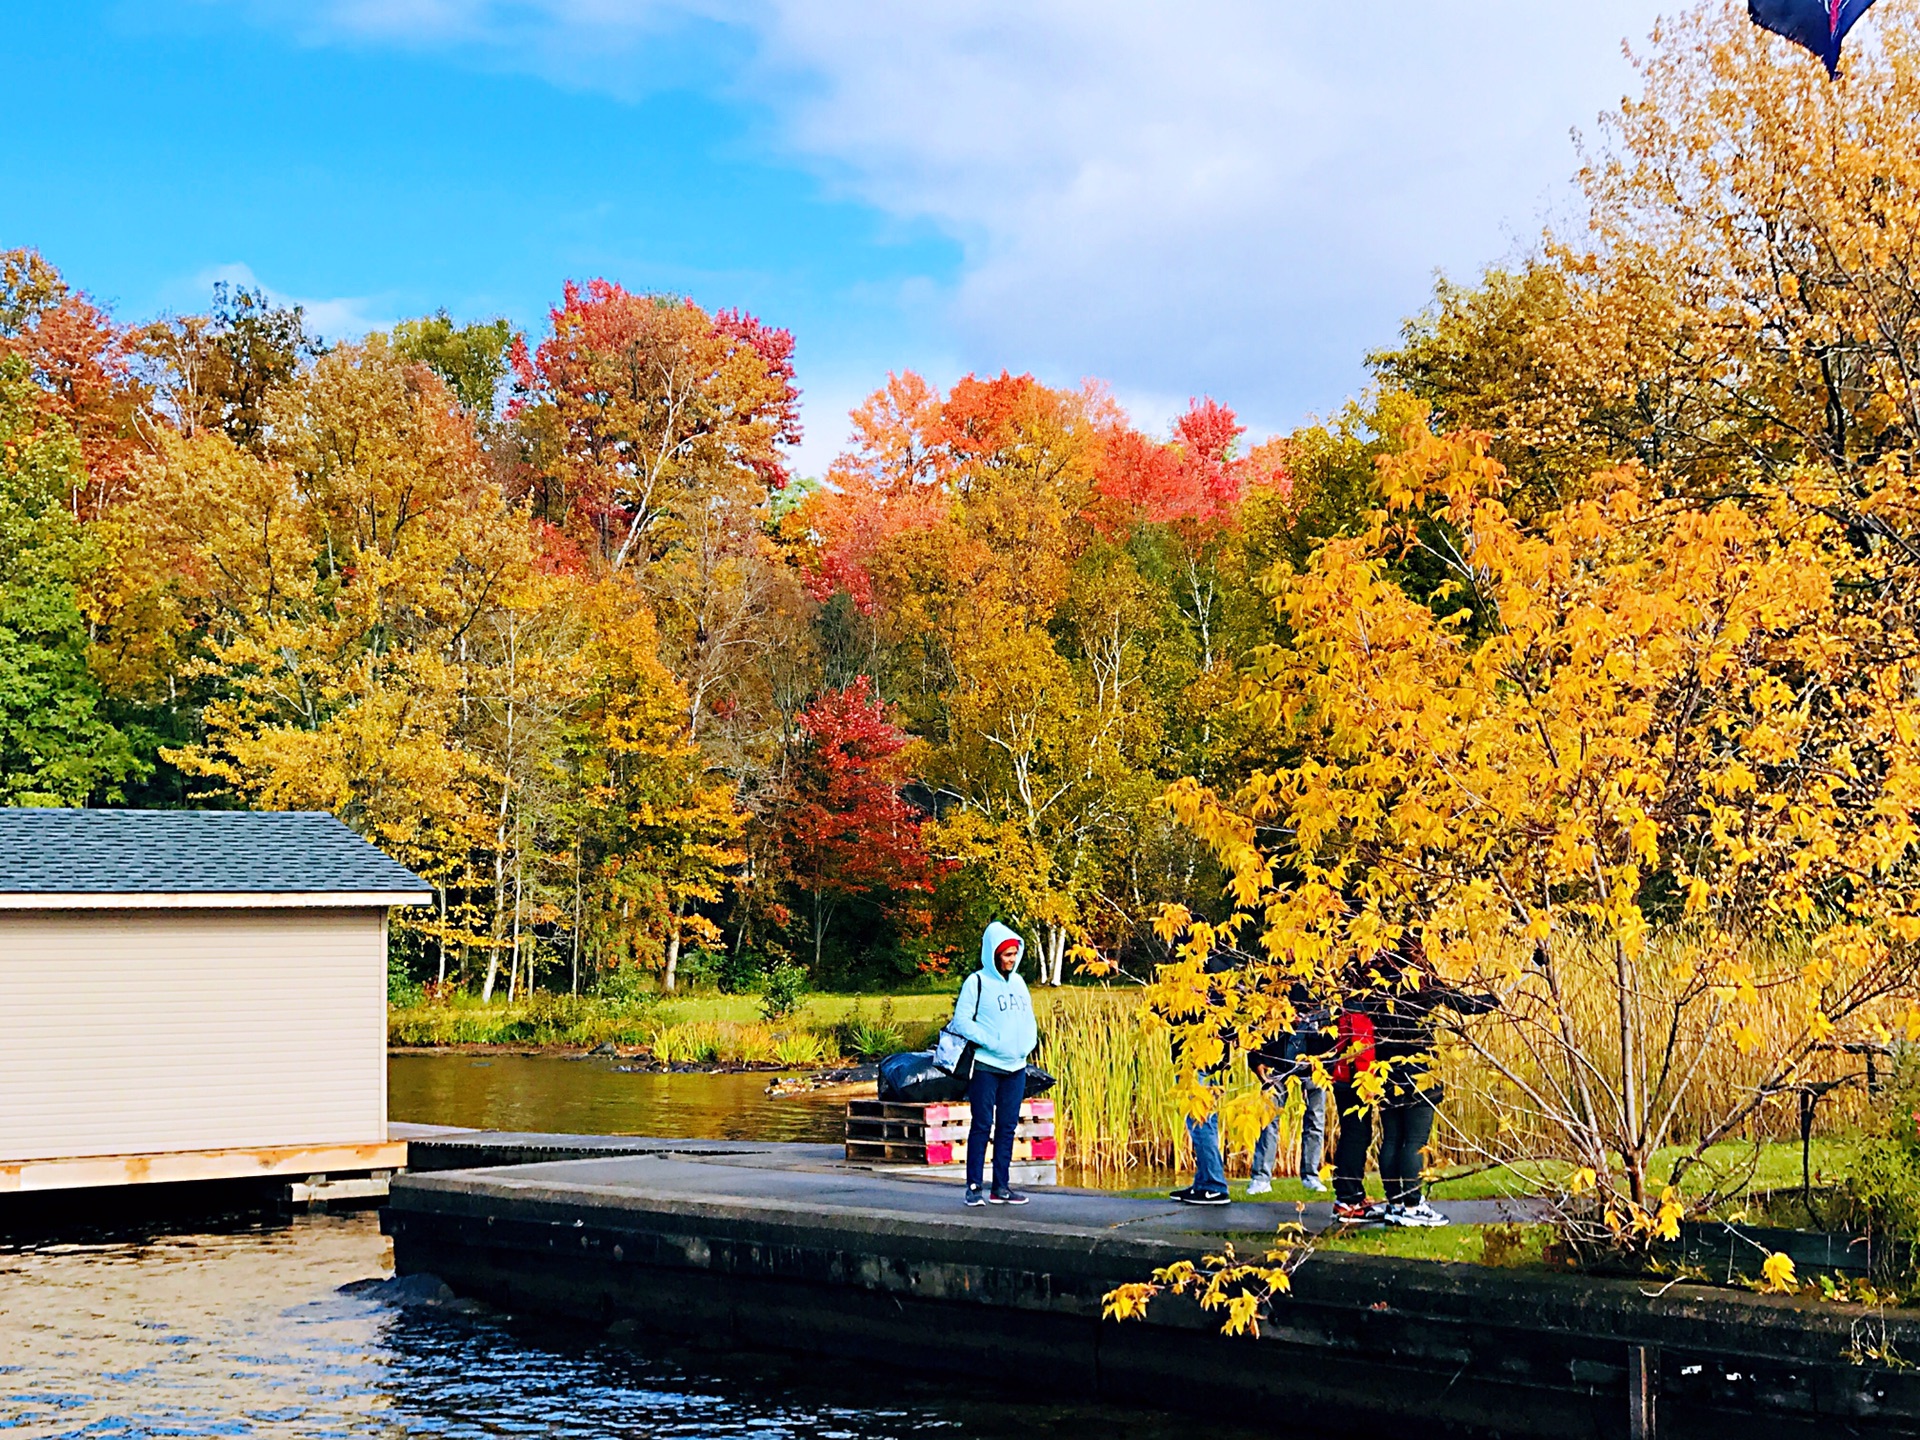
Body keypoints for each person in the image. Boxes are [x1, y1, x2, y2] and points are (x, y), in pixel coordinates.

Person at [1332, 937, 1500, 1227]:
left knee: (1393, 1138)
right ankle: (1412, 1204)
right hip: (1419, 1068)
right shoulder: (1420, 979)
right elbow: (1458, 1001)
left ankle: (1396, 1203)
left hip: (1385, 1069)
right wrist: (1492, 1000)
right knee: (1415, 1141)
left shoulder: (1372, 982)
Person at [947, 921, 1039, 1207]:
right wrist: (991, 1041)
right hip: (986, 1066)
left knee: (1008, 1127)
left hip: (1016, 1067)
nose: (1012, 959)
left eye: (1014, 954)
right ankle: (974, 1187)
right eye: (1006, 954)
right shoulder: (976, 982)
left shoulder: (1020, 983)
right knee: (982, 1124)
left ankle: (1001, 1187)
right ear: (994, 954)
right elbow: (961, 1021)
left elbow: (1027, 1019)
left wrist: (1028, 1044)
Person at [1247, 993, 1330, 1196]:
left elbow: (1330, 1035)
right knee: (1268, 1120)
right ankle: (1261, 1178)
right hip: (1275, 1066)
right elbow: (1254, 1031)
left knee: (1315, 1121)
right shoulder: (1272, 989)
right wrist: (1257, 1065)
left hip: (1313, 1066)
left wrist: (1324, 1066)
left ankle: (1311, 1176)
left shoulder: (1322, 989)